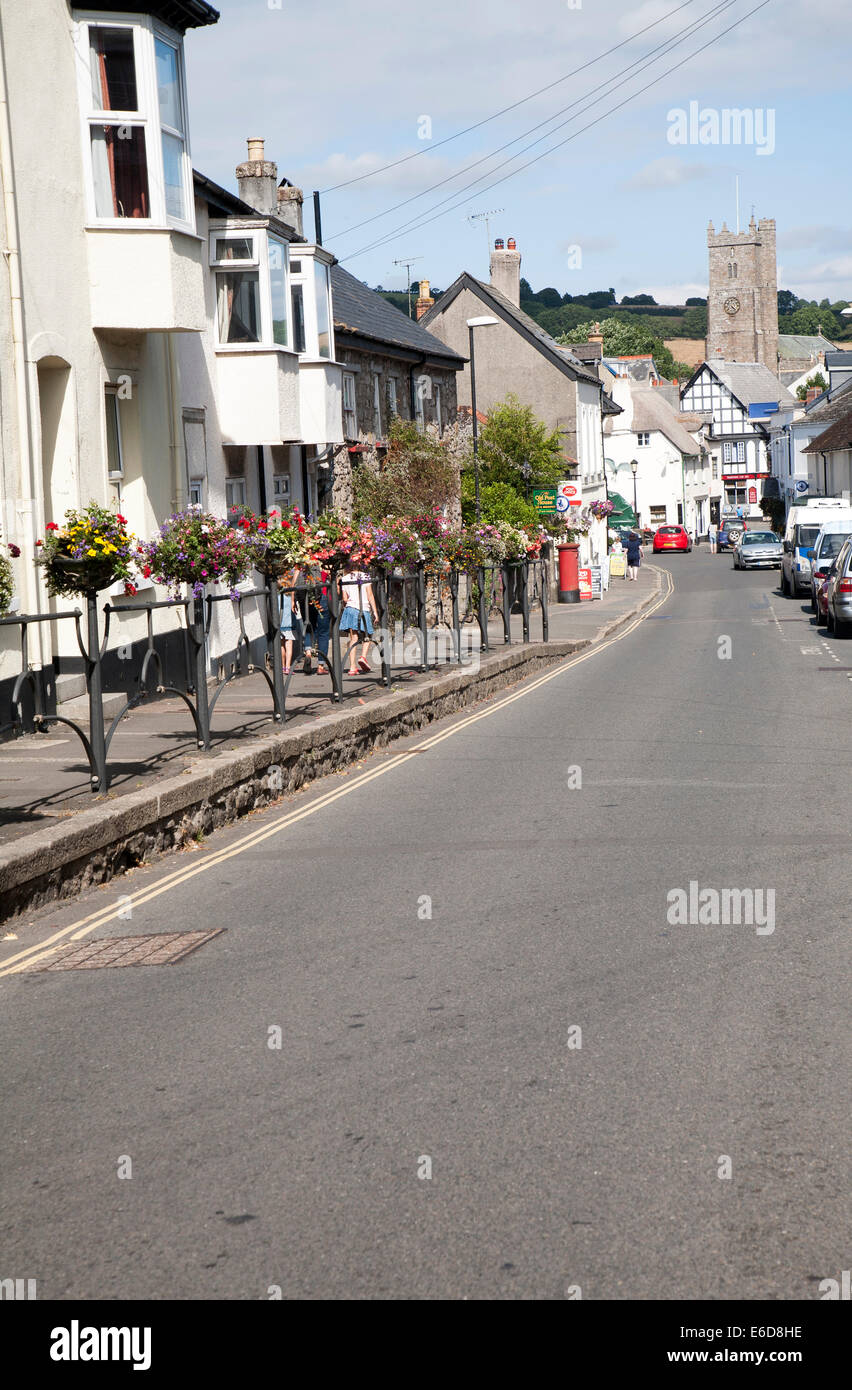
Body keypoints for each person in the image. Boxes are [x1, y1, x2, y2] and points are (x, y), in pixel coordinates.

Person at [339, 570, 379, 675]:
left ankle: (352, 667)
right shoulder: (365, 575)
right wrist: (375, 612)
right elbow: (370, 595)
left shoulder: (344, 578)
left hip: (350, 608)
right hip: (363, 608)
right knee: (368, 635)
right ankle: (363, 657)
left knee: (353, 638)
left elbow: (344, 598)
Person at [278, 567, 302, 674]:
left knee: (281, 644)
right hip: (289, 623)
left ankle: (282, 667)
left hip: (280, 622)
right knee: (289, 643)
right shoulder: (290, 596)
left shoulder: (278, 595)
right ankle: (288, 666)